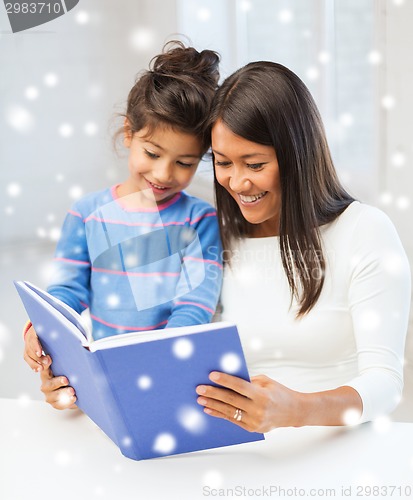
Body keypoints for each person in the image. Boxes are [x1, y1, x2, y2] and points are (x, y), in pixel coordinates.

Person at [196, 61, 411, 432]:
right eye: (223, 162)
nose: (237, 181)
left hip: (340, 460)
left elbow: (385, 385)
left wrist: (296, 411)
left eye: (255, 163)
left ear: (298, 155)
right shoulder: (215, 240)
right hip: (239, 464)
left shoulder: (364, 231)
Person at [23, 41, 223, 409]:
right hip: (107, 376)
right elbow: (67, 292)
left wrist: (162, 358)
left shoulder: (200, 220)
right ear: (129, 133)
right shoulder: (85, 214)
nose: (164, 174)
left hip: (173, 372)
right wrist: (44, 329)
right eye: (152, 153)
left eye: (185, 162)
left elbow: (195, 304)